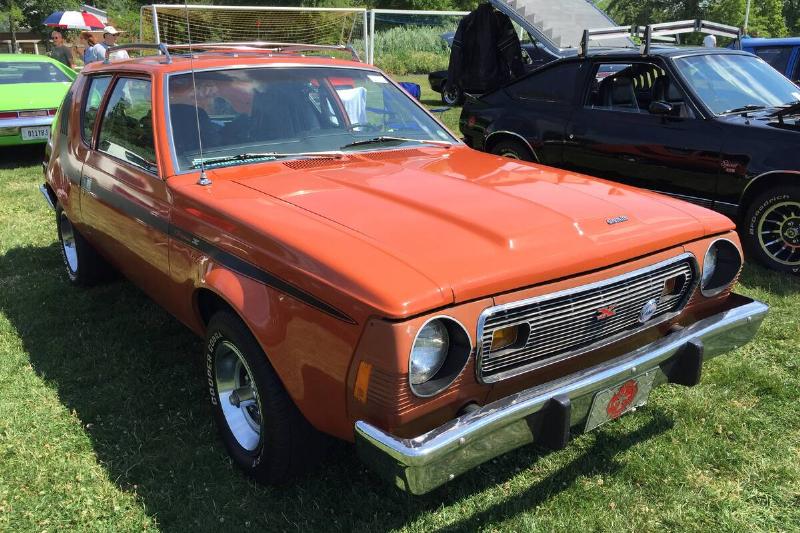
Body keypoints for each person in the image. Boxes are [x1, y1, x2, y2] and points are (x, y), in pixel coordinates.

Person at [445, 3, 524, 97]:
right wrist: (521, 76)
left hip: (469, 83)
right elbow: (512, 50)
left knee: (474, 109)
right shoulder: (500, 20)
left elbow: (456, 53)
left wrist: (451, 81)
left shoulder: (467, 21)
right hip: (496, 83)